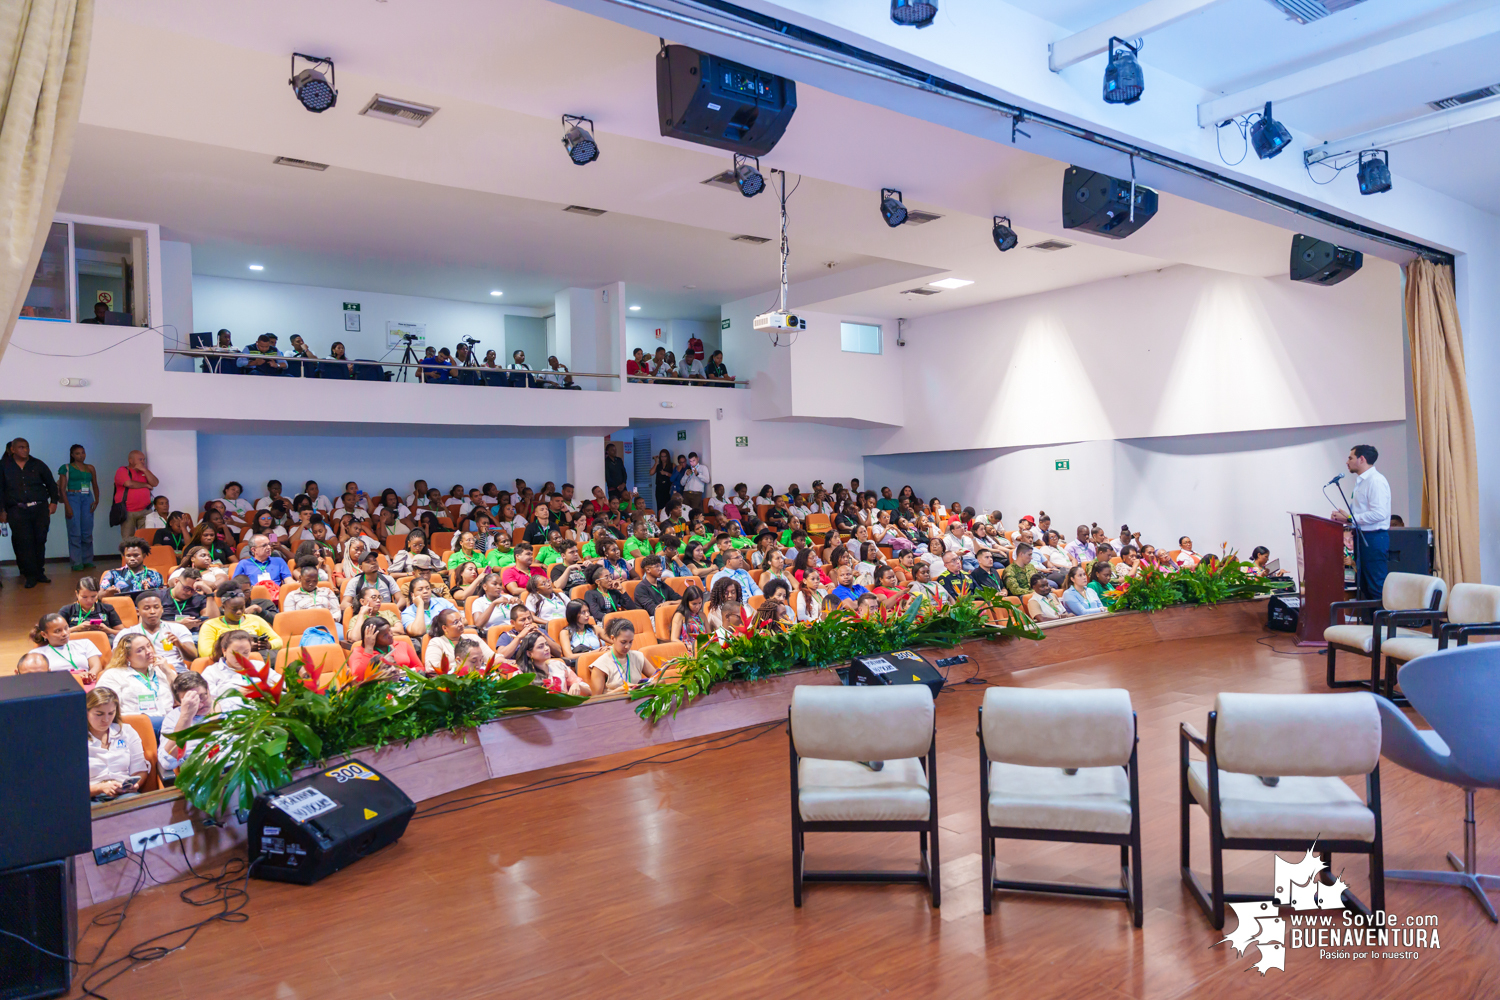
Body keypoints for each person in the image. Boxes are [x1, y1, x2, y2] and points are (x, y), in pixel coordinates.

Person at [1333, 444, 1392, 602]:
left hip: (1373, 538)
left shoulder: (1376, 481)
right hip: (1362, 536)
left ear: (1362, 459)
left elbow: (1380, 513)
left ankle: (1385, 625)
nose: (1347, 461)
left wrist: (1350, 518)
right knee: (1365, 586)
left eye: (1350, 458)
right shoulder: (1362, 481)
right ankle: (1370, 624)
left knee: (1376, 585)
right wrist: (1346, 517)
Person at [0, 437, 60, 586]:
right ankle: (30, 575)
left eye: (27, 447)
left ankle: (40, 572)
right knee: (24, 542)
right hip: (17, 510)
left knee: (40, 540)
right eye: (21, 447)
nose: (25, 450)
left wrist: (53, 502)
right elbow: (0, 490)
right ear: (12, 449)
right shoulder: (4, 466)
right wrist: (2, 510)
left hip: (39, 508)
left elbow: (52, 484)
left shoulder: (38, 464)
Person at [97, 633, 177, 734]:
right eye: (140, 650)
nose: (148, 652)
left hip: (166, 721)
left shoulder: (162, 670)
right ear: (127, 657)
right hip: (134, 725)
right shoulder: (113, 675)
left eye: (148, 646)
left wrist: (169, 672)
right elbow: (103, 707)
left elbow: (184, 696)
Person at [86, 688, 149, 800]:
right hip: (89, 797)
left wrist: (134, 785)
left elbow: (140, 770)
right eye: (99, 714)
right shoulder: (74, 738)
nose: (106, 719)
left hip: (124, 794)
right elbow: (68, 786)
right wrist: (100, 788)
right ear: (86, 712)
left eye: (111, 713)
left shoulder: (127, 731)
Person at [113, 592, 194, 672]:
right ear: (138, 612)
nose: (152, 611)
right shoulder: (126, 634)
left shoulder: (178, 628)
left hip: (176, 671)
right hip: (140, 672)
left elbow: (192, 656)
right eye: (147, 608)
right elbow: (117, 660)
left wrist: (179, 644)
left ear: (162, 609)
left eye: (156, 607)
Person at [157, 672, 213, 783]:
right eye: (193, 701)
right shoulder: (173, 718)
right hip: (204, 777)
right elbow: (168, 762)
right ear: (179, 702)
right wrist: (186, 716)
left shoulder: (227, 706)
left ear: (208, 689)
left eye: (202, 696)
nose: (200, 704)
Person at [197, 589, 282, 660]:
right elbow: (205, 652)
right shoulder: (210, 625)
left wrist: (269, 645)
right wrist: (242, 649)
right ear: (223, 608)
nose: (239, 612)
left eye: (242, 608)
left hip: (258, 660)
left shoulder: (255, 619)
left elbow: (278, 641)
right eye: (234, 609)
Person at [57, 443, 100, 570]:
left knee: (87, 530)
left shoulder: (90, 468)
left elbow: (95, 485)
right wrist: (67, 506)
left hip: (87, 498)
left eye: (83, 452)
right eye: (77, 453)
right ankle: (76, 562)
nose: (81, 455)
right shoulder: (66, 468)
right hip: (72, 497)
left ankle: (87, 560)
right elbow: (62, 488)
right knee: (74, 531)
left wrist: (97, 500)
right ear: (72, 455)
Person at [589, 617, 657, 694]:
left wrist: (647, 685)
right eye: (623, 642)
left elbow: (660, 679)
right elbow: (595, 699)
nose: (627, 646)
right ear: (613, 638)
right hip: (613, 704)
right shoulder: (600, 665)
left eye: (630, 642)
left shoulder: (638, 656)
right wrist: (619, 691)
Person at [512, 629, 590, 696]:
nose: (546, 648)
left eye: (546, 644)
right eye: (540, 646)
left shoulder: (558, 665)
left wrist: (577, 686)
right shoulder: (520, 674)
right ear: (529, 653)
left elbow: (589, 691)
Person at [347, 616, 423, 679]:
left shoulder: (403, 645)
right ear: (373, 637)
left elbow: (420, 668)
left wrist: (401, 673)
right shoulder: (358, 652)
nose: (390, 635)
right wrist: (368, 648)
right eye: (385, 635)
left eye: (390, 630)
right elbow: (359, 678)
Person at [29, 612, 104, 673]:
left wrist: (90, 675)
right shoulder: (37, 654)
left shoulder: (85, 643)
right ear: (44, 634)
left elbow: (96, 666)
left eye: (66, 628)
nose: (65, 633)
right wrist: (75, 677)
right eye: (58, 631)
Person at [112, 449, 158, 542]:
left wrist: (145, 470)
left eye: (143, 459)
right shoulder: (122, 470)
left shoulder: (144, 471)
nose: (142, 462)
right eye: (140, 459)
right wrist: (146, 485)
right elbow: (129, 484)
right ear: (131, 461)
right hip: (128, 511)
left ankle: (146, 557)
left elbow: (155, 483)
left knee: (147, 538)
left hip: (145, 510)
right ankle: (128, 557)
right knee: (128, 540)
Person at [59, 576, 124, 636]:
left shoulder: (107, 608)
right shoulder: (66, 610)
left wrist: (107, 630)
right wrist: (76, 628)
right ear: (77, 594)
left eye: (93, 596)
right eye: (84, 597)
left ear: (98, 594)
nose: (89, 600)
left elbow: (123, 633)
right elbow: (57, 633)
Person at [100, 539, 164, 598]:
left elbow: (163, 597)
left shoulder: (156, 575)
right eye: (128, 556)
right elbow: (98, 595)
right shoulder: (113, 574)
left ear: (144, 555)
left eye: (136, 555)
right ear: (124, 556)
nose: (132, 559)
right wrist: (107, 594)